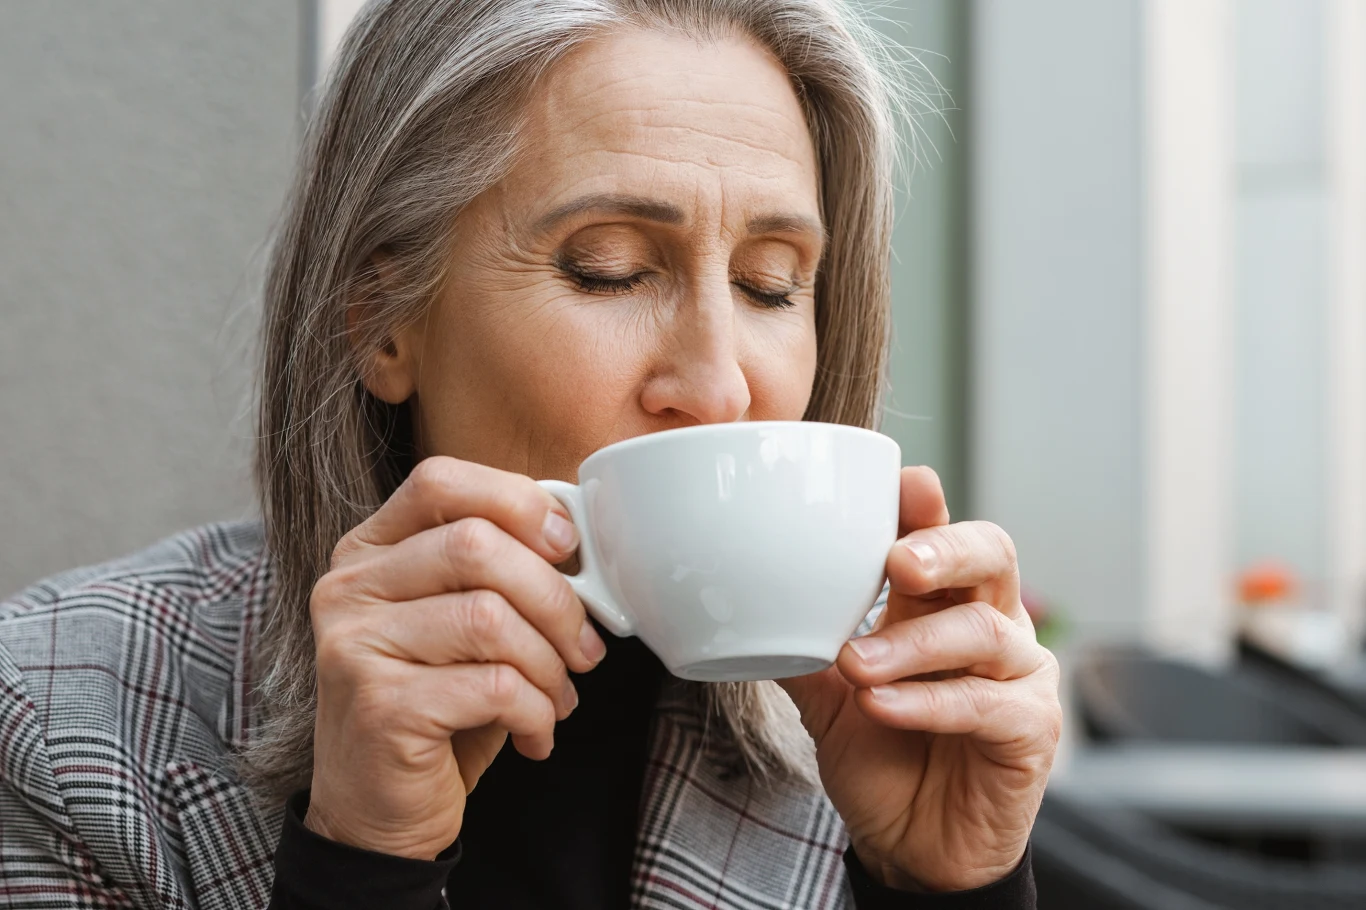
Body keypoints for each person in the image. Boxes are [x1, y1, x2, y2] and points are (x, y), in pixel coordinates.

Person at [0, 1, 1061, 907]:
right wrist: (359, 863)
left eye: (770, 284)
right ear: (382, 321)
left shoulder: (858, 747)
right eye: (608, 270)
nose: (723, 384)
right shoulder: (60, 723)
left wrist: (946, 886)